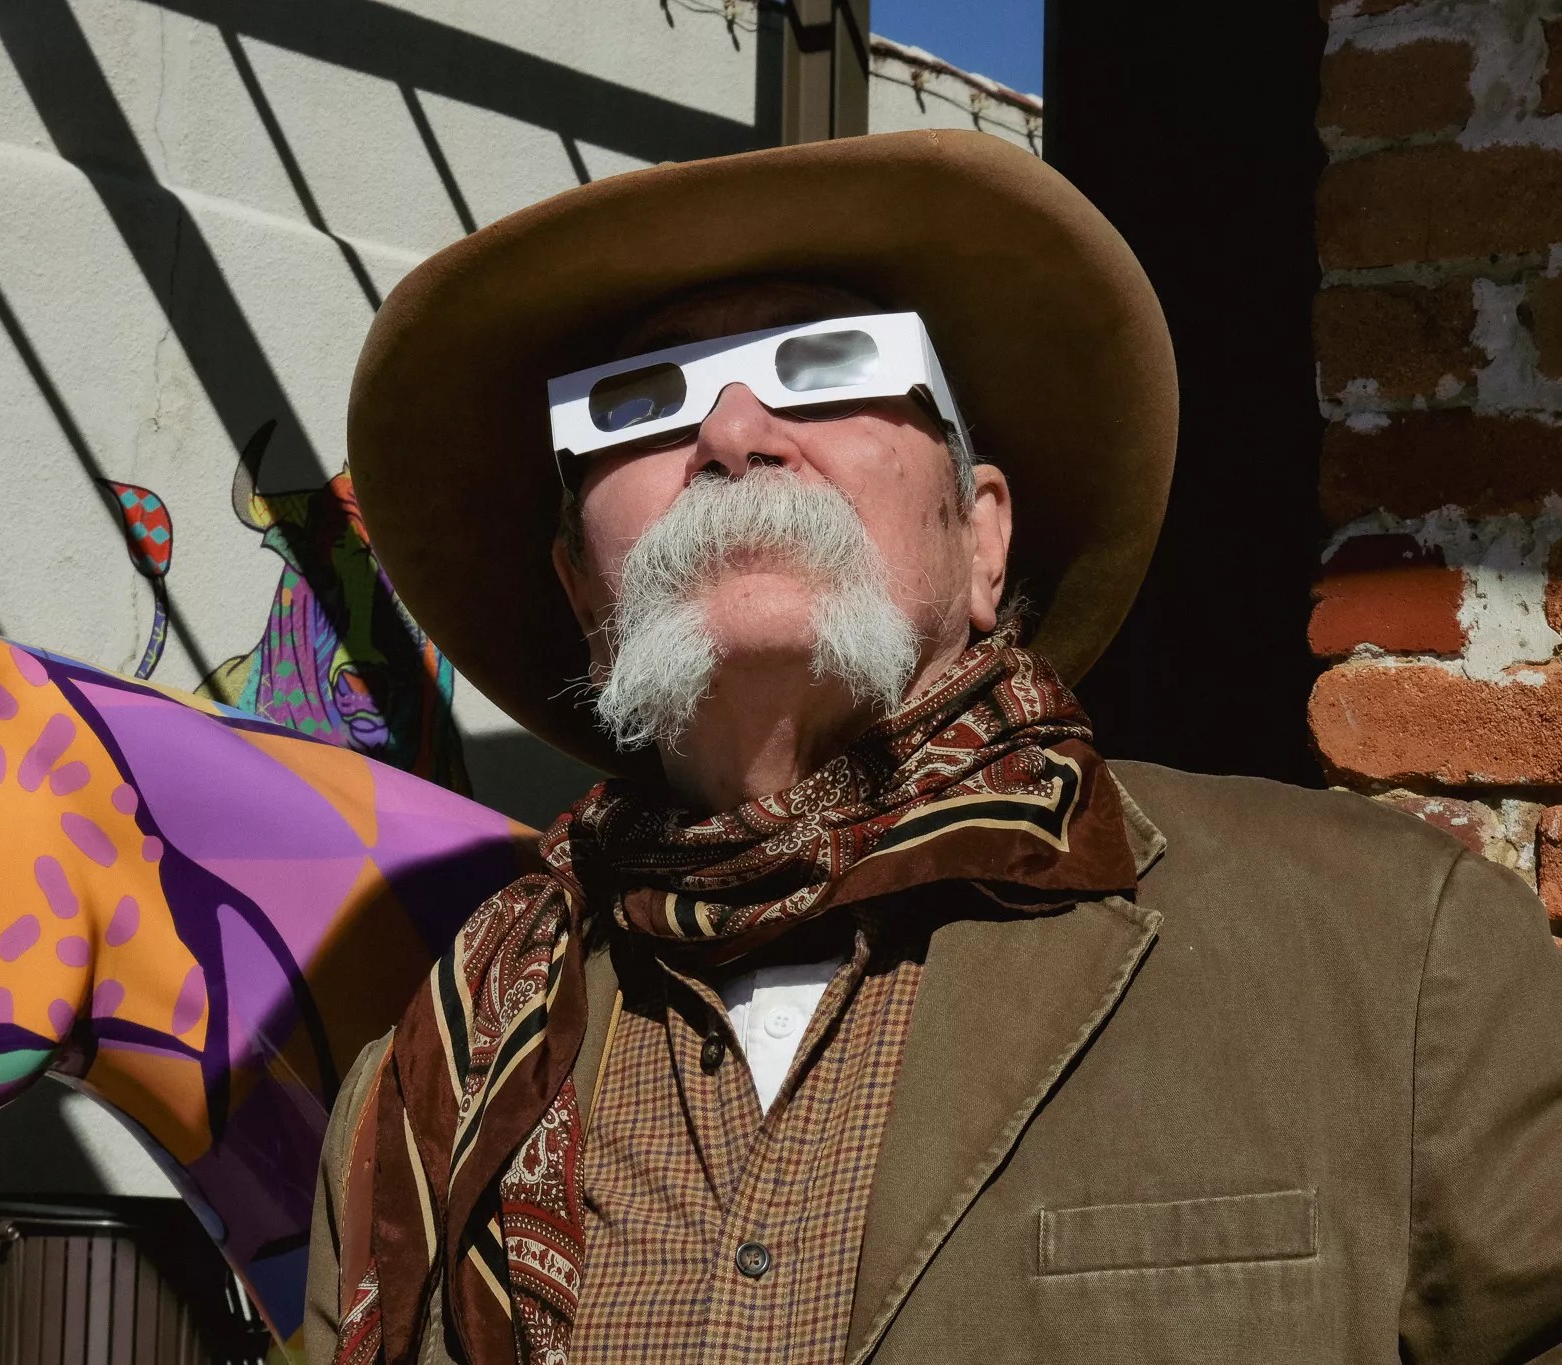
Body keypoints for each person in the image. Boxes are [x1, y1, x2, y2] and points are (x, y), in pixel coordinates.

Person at [301, 130, 1562, 1364]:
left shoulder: (1394, 956)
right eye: (638, 403)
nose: (733, 434)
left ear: (980, 538)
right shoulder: (426, 1091)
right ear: (584, 590)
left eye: (824, 366)